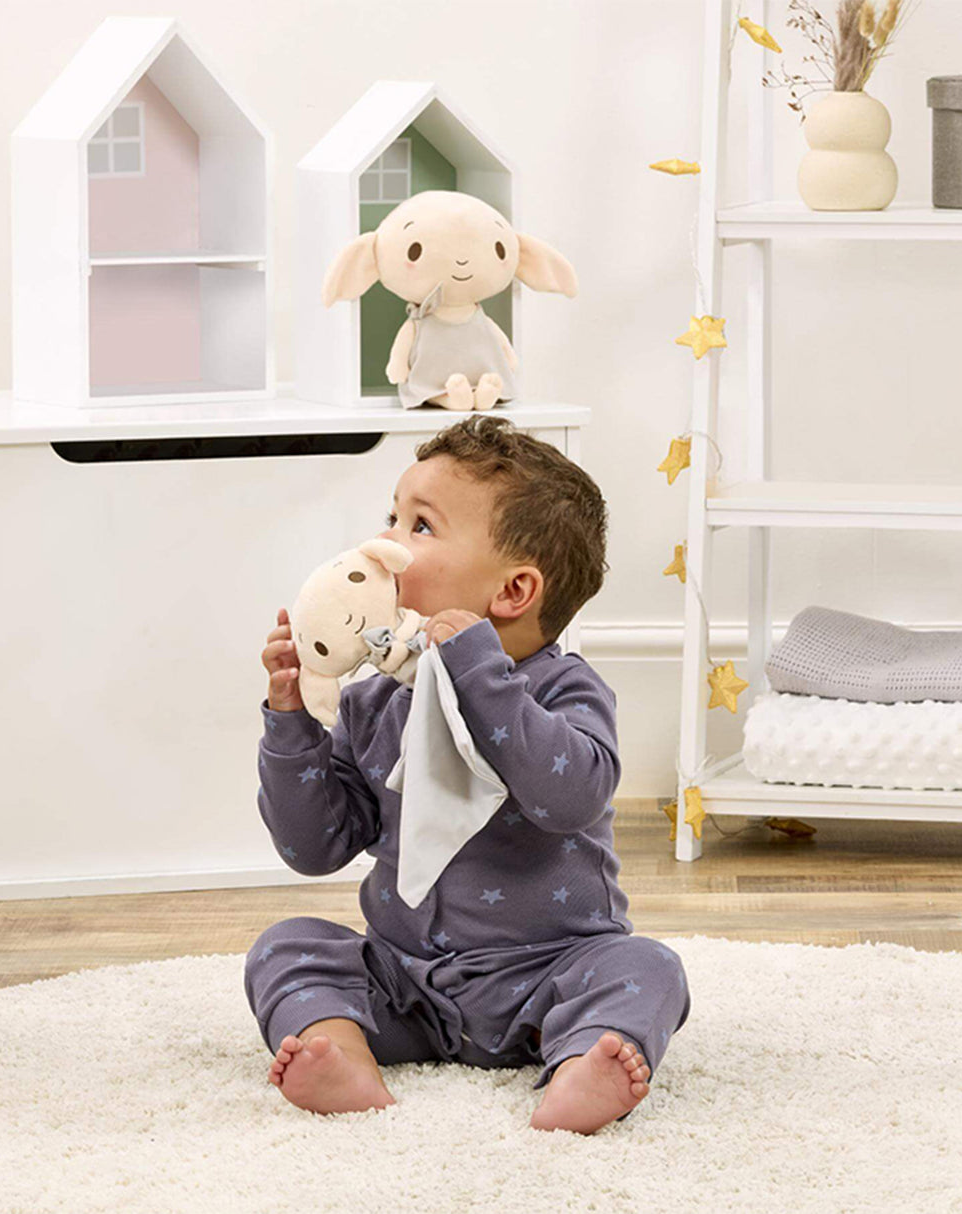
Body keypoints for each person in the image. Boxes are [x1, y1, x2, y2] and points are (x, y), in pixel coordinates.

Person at [245, 414, 690, 1134]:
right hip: (406, 983)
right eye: (392, 515)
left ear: (512, 593)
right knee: (286, 946)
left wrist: (479, 673)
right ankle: (345, 1051)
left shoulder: (563, 691)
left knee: (647, 967)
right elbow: (312, 848)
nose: (384, 543)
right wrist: (290, 720)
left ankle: (582, 1063)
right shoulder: (372, 702)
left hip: (550, 979)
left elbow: (568, 797)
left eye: (419, 527)